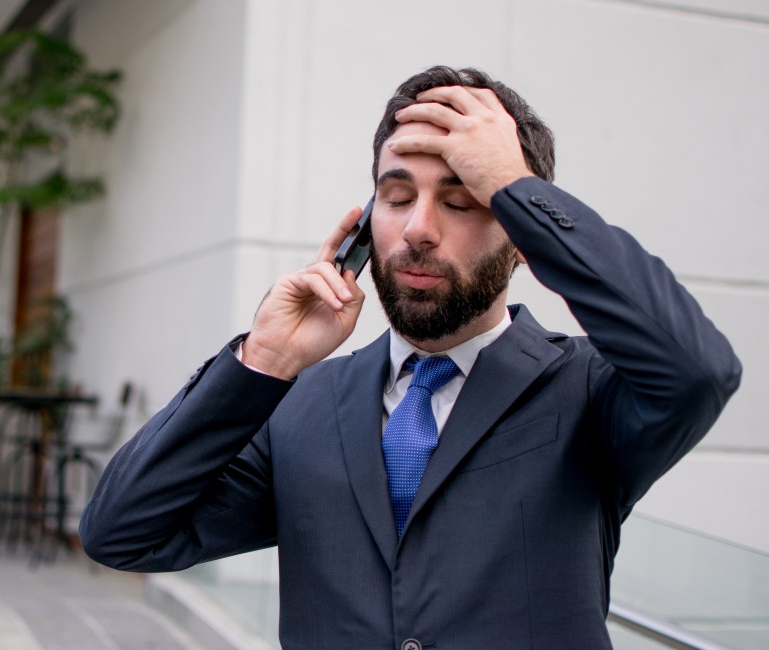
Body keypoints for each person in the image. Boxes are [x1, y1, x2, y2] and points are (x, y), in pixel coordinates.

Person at [80, 66, 741, 650]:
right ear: (367, 226)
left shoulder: (591, 389)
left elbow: (698, 370)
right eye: (397, 198)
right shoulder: (300, 400)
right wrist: (263, 360)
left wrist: (516, 187)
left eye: (462, 200)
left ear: (521, 234)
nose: (420, 228)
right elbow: (122, 533)